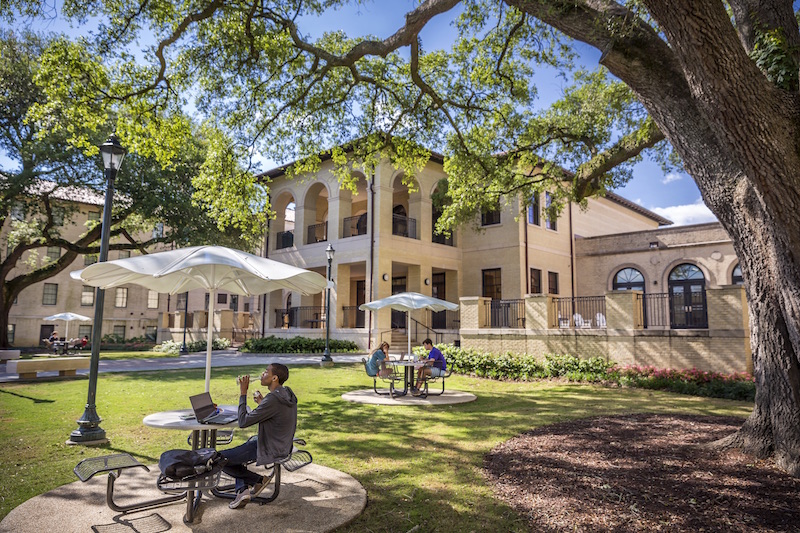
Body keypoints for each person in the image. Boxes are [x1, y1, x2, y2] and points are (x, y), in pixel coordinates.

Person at [220, 363, 298, 509]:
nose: (262, 374)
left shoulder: (273, 399)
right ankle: (242, 491)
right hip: (282, 444)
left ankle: (259, 480)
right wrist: (263, 404)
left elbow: (243, 422)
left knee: (218, 459)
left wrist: (243, 393)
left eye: (265, 372)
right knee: (236, 456)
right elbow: (278, 414)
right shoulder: (286, 393)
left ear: (274, 378)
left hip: (269, 446)